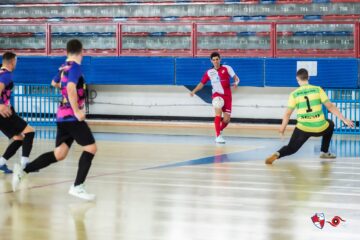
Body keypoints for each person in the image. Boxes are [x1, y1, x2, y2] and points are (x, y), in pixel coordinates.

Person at [12, 39, 97, 201]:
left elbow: (54, 83)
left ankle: (24, 171)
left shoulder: (64, 66)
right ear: (82, 52)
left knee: (59, 154)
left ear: (67, 51)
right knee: (91, 148)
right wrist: (77, 110)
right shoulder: (75, 67)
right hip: (71, 117)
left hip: (61, 116)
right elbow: (71, 87)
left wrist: (66, 92)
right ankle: (77, 187)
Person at [265, 68, 354, 164]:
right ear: (308, 77)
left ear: (297, 79)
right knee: (330, 124)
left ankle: (278, 154)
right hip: (320, 127)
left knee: (291, 148)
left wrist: (282, 129)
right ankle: (324, 152)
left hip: (303, 128)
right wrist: (344, 120)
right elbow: (330, 106)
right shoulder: (317, 89)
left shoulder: (294, 94)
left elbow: (287, 114)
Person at [190, 52, 240, 143]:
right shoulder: (209, 72)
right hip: (217, 95)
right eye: (214, 60)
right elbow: (202, 83)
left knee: (227, 119)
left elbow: (236, 78)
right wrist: (194, 91)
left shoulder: (227, 68)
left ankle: (219, 130)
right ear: (211, 61)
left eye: (217, 59)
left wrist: (236, 83)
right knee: (218, 113)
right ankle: (218, 136)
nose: (216, 61)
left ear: (220, 59)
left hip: (227, 96)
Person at [0, 52, 35, 173]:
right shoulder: (6, 75)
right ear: (12, 61)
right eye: (16, 61)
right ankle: (25, 164)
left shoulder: (1, 71)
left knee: (18, 139)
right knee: (30, 132)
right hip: (4, 112)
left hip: (5, 111)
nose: (16, 63)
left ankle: (1, 163)